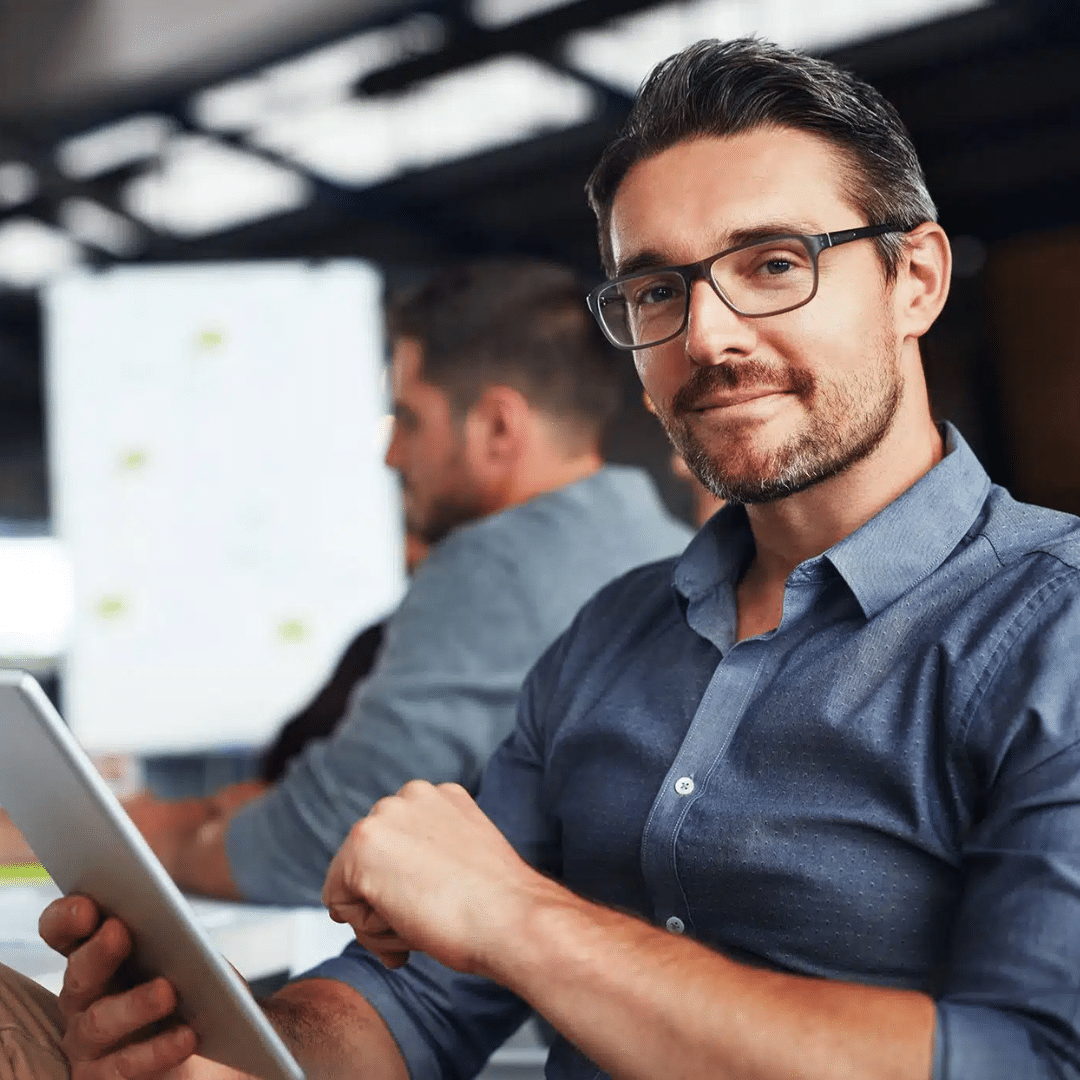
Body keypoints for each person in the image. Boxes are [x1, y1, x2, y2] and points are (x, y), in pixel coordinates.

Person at [15, 35, 1080, 1080]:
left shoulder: (1051, 631)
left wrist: (522, 919)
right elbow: (417, 1000)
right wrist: (223, 1048)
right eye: (658, 290)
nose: (707, 336)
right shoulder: (610, 638)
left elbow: (1026, 1057)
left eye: (773, 264)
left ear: (917, 281)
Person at [63, 258, 691, 907]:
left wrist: (138, 843)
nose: (391, 455)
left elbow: (321, 839)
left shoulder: (494, 566)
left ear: (498, 427)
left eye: (409, 419)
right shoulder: (670, 549)